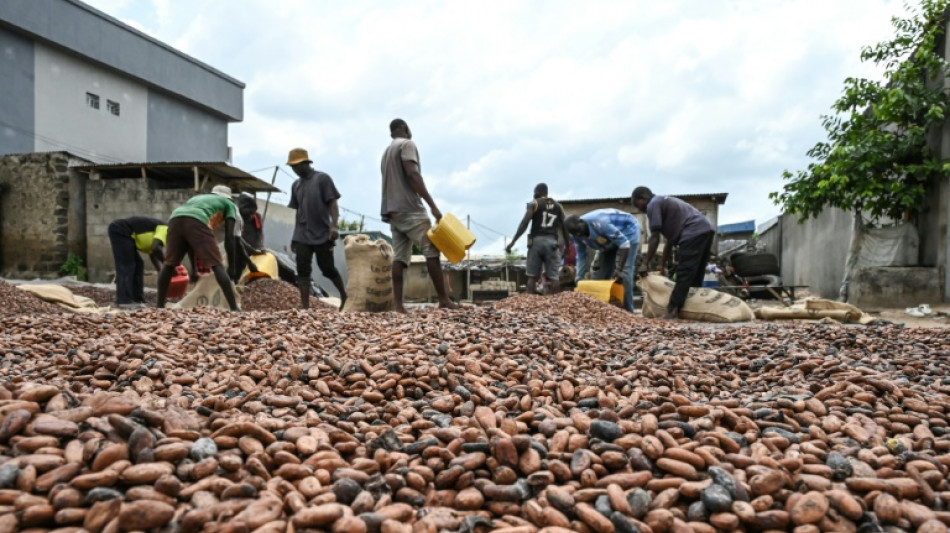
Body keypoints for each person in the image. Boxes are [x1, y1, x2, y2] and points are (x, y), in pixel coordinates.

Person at [380, 118, 458, 313]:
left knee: (400, 258)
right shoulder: (407, 144)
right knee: (431, 250)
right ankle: (443, 300)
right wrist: (432, 205)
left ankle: (398, 305)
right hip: (411, 209)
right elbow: (413, 175)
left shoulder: (386, 152)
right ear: (405, 128)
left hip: (393, 211)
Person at [632, 186, 715, 319]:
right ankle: (693, 308)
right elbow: (669, 242)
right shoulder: (664, 203)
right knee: (696, 273)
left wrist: (645, 263)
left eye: (637, 205)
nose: (639, 209)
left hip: (693, 231)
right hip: (706, 229)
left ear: (642, 198)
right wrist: (662, 264)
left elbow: (654, 237)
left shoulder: (653, 204)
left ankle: (673, 310)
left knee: (684, 272)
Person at [156, 185, 240, 311]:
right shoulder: (229, 204)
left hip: (174, 219)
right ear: (229, 197)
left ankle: (159, 306)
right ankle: (234, 308)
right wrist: (232, 268)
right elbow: (230, 237)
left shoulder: (197, 198)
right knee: (217, 265)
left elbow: (191, 242)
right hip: (198, 220)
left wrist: (194, 269)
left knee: (169, 264)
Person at [287, 147, 347, 310]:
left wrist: (334, 225)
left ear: (305, 163)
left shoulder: (322, 179)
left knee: (327, 269)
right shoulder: (296, 185)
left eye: (296, 166)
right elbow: (298, 212)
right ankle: (305, 307)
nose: (294, 170)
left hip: (322, 233)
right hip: (302, 235)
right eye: (292, 167)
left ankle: (344, 295)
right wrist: (294, 237)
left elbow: (333, 203)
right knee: (302, 271)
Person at [564, 208, 640, 312]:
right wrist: (578, 278)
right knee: (600, 275)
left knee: (624, 273)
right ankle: (604, 309)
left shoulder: (601, 222)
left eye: (578, 230)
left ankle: (628, 311)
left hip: (628, 230)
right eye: (574, 233)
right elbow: (581, 255)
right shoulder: (575, 235)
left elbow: (624, 244)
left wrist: (619, 269)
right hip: (608, 239)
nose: (578, 234)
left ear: (581, 222)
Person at [505, 183, 569, 295]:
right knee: (554, 277)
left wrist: (513, 242)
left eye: (534, 193)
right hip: (552, 243)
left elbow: (524, 223)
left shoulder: (534, 203)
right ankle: (557, 302)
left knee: (532, 277)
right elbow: (564, 227)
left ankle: (530, 302)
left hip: (536, 243)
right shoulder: (558, 206)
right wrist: (567, 246)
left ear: (538, 192)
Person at [108, 216, 167, 308]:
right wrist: (167, 264)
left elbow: (152, 252)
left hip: (127, 234)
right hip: (120, 230)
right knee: (127, 265)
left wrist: (160, 270)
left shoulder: (162, 232)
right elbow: (155, 248)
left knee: (139, 264)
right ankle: (124, 300)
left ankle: (137, 298)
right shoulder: (165, 228)